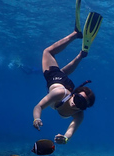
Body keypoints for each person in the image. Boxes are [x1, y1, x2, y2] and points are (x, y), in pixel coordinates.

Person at [32, 1, 102, 144]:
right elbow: (39, 106)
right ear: (74, 94)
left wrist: (65, 138)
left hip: (64, 82)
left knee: (63, 72)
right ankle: (75, 34)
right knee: (48, 52)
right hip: (57, 82)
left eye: (82, 105)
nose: (77, 105)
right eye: (78, 100)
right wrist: (37, 118)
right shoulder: (58, 94)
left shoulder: (79, 114)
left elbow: (71, 129)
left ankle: (81, 55)